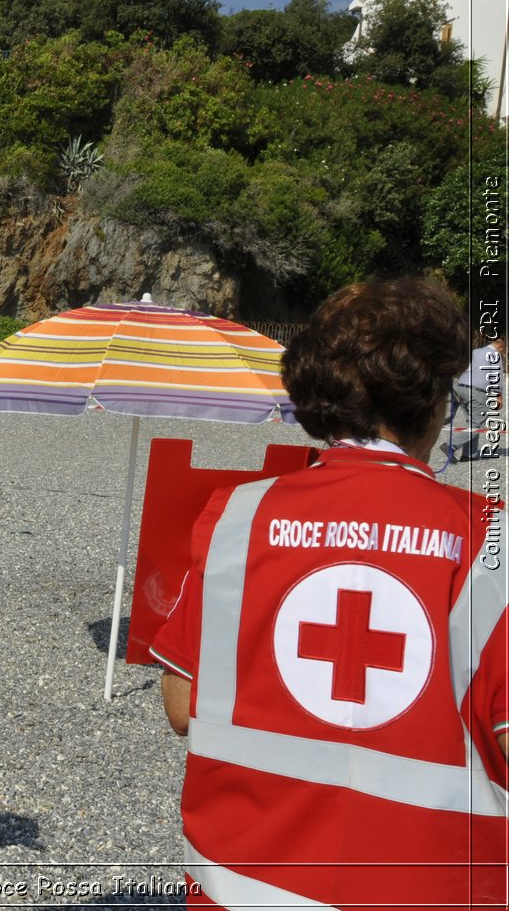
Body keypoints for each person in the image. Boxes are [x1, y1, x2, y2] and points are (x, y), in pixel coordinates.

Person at [150, 277, 507, 909]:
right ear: (433, 402)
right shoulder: (487, 535)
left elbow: (183, 705)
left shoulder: (236, 516)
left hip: (240, 887)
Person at [450, 332, 505, 461]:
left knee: (473, 420)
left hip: (460, 387)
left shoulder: (476, 351)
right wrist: (499, 397)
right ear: (500, 343)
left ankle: (469, 454)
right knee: (477, 423)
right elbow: (496, 377)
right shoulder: (495, 355)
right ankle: (450, 445)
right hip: (475, 391)